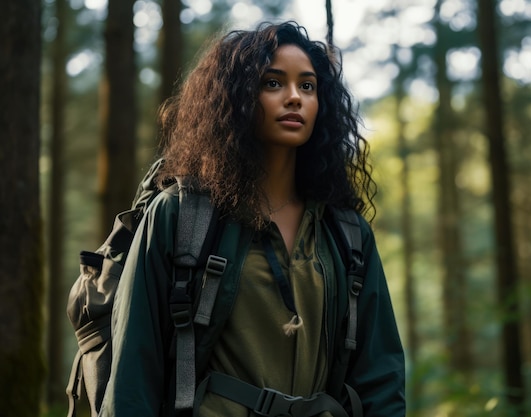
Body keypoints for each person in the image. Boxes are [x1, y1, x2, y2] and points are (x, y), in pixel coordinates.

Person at [98, 21, 405, 417]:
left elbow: (380, 376)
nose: (294, 97)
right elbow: (133, 373)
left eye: (307, 86)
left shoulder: (347, 233)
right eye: (273, 83)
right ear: (237, 97)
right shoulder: (182, 215)